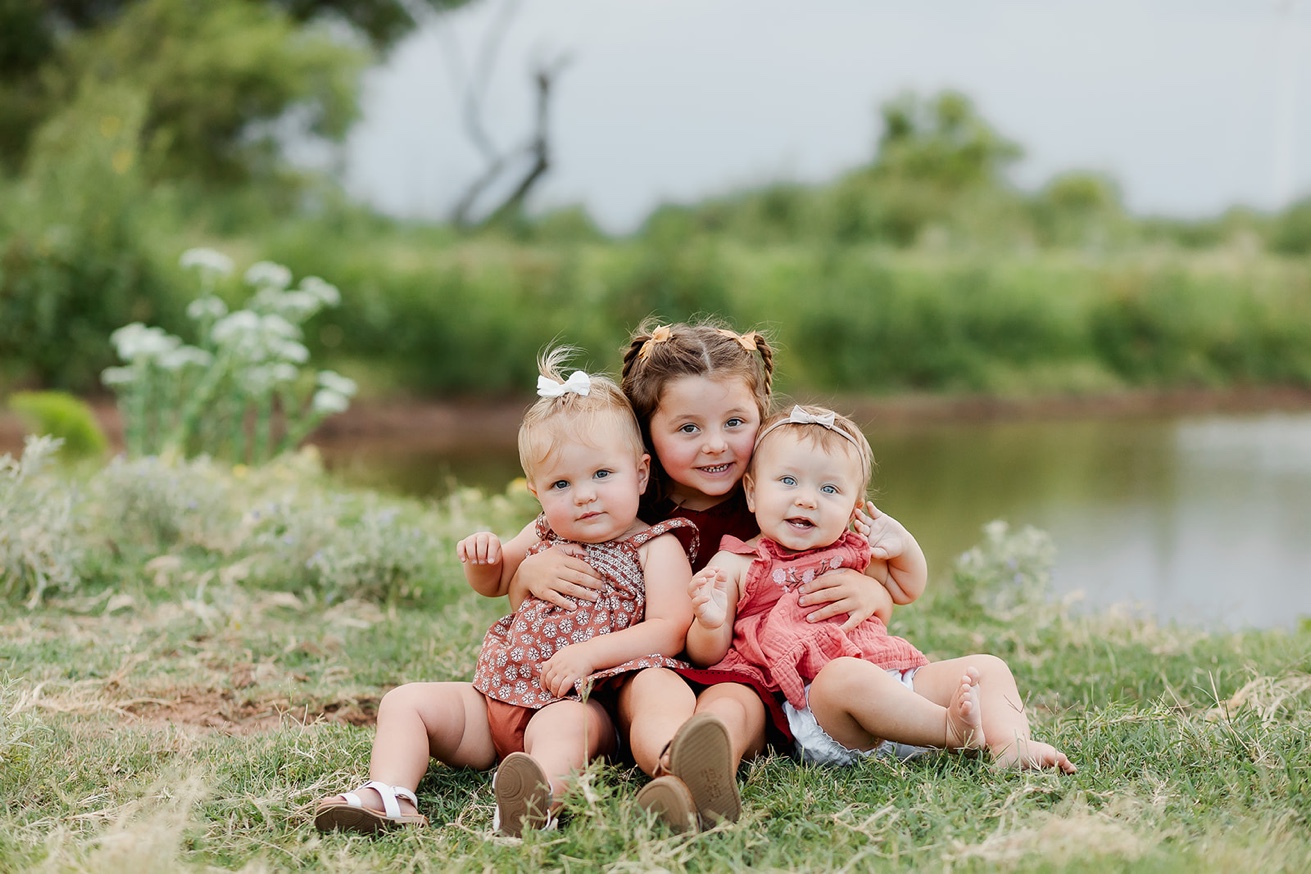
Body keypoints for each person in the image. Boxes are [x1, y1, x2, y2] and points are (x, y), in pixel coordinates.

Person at [509, 321, 904, 830]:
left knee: (733, 708)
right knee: (654, 685)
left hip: (747, 674)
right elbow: (529, 585)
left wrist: (869, 591)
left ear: (762, 418)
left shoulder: (784, 502)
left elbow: (869, 592)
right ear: (645, 434)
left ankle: (706, 771)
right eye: (688, 428)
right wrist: (528, 573)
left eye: (735, 422)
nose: (715, 445)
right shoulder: (622, 499)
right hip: (638, 667)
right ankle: (671, 766)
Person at [313, 349, 697, 837]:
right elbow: (494, 584)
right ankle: (389, 794)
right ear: (537, 493)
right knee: (405, 701)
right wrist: (484, 558)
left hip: (577, 702)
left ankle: (536, 805)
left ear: (640, 473)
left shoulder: (655, 546)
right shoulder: (541, 534)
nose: (584, 495)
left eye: (602, 474)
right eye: (562, 483)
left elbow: (670, 630)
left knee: (562, 734)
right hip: (494, 698)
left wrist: (588, 655)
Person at [687, 404, 1077, 773]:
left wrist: (904, 545)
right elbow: (710, 655)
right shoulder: (736, 564)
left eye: (829, 490)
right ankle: (949, 730)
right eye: (788, 481)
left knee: (989, 668)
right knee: (844, 676)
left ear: (854, 506)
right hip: (820, 707)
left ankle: (1012, 745)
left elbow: (908, 587)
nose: (806, 499)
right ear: (752, 493)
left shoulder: (853, 552)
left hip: (898, 686)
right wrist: (709, 620)